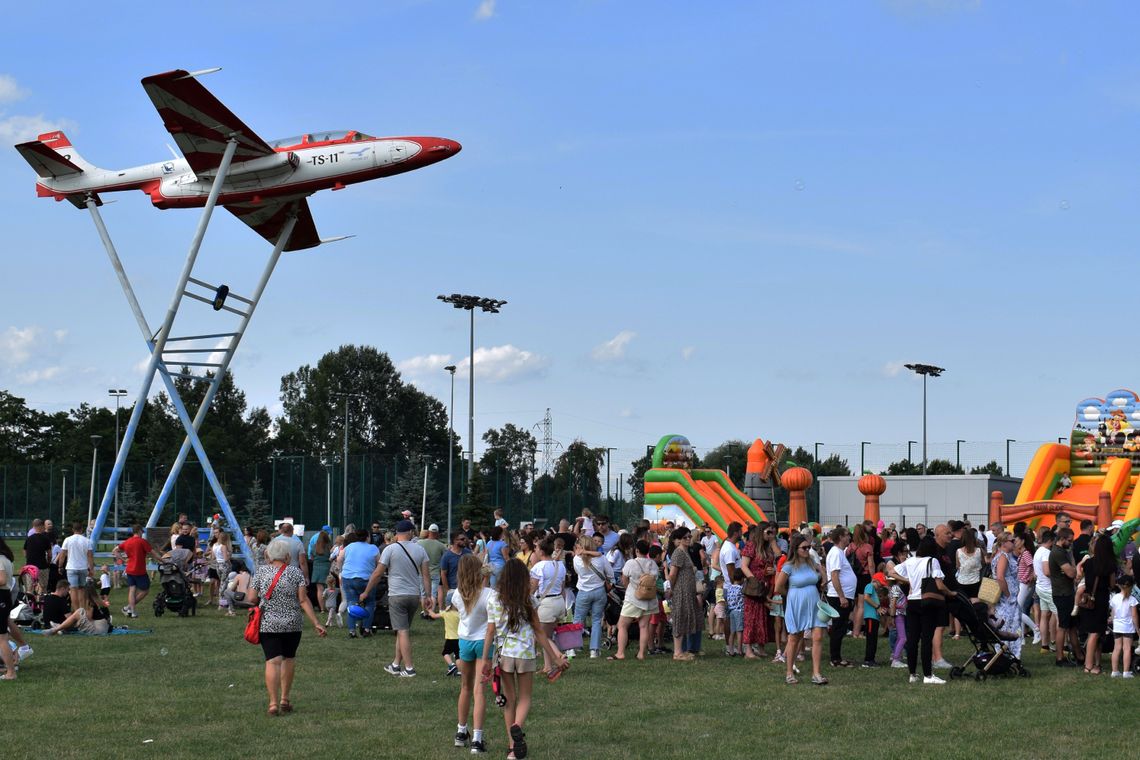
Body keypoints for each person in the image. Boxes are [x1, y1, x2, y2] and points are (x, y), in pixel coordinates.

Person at [481, 559, 567, 760]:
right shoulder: (529, 600)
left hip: (504, 654)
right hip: (526, 653)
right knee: (525, 697)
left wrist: (485, 659)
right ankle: (517, 728)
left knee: (509, 700)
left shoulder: (494, 600)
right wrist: (555, 657)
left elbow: (490, 631)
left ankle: (512, 748)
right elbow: (539, 631)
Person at [247, 538, 326, 715]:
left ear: (268, 555)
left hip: (268, 623)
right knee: (288, 658)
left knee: (272, 661)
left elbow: (251, 598)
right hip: (293, 623)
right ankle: (285, 699)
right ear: (288, 556)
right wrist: (316, 623)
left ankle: (273, 703)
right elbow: (303, 600)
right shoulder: (295, 573)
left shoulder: (260, 572)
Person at [363, 519, 433, 677]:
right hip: (414, 595)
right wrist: (427, 596)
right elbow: (426, 576)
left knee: (402, 631)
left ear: (397, 533)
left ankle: (409, 668)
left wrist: (366, 591)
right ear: (410, 533)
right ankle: (395, 664)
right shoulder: (420, 550)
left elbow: (377, 573)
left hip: (396, 595)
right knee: (403, 631)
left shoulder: (390, 549)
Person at [889, 537, 954, 684]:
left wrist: (909, 581)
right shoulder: (932, 561)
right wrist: (951, 593)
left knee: (912, 639)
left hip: (912, 602)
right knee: (926, 639)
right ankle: (928, 675)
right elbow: (939, 584)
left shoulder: (910, 561)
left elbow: (892, 572)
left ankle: (912, 674)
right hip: (927, 602)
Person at [452, 554, 493, 752]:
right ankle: (477, 738)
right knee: (479, 691)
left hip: (465, 641)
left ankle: (461, 732)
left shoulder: (456, 595)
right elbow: (485, 598)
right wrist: (487, 577)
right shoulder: (489, 594)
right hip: (483, 643)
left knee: (465, 688)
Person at [776, 533, 828, 685]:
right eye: (804, 548)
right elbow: (778, 587)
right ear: (796, 549)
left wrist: (823, 578)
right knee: (795, 638)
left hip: (814, 602)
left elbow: (821, 572)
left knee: (818, 636)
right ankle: (789, 672)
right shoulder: (788, 566)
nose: (807, 550)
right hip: (796, 604)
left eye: (809, 547)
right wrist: (792, 596)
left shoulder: (811, 562)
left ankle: (816, 674)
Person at [611, 540, 657, 661]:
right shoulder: (652, 564)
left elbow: (624, 578)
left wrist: (628, 589)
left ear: (636, 550)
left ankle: (620, 653)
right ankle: (641, 653)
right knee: (644, 626)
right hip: (649, 599)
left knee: (622, 625)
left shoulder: (631, 563)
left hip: (633, 598)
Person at [528, 538, 567, 674]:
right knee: (547, 635)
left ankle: (559, 656)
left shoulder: (539, 567)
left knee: (541, 636)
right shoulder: (560, 565)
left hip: (546, 604)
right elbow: (562, 587)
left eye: (537, 548)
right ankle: (548, 666)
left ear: (542, 551)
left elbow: (532, 588)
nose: (535, 551)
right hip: (559, 602)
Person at [1079, 533, 1116, 674]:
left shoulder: (1088, 562)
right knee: (1095, 634)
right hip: (1100, 601)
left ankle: (1093, 663)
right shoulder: (1109, 564)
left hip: (1088, 599)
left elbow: (1081, 575)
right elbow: (1112, 584)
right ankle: (1089, 666)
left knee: (1092, 633)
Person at [572, 535, 612, 658]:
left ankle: (572, 647)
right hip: (599, 591)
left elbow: (577, 572)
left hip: (583, 591)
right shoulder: (602, 559)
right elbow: (610, 574)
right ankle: (594, 650)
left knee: (578, 620)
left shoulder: (576, 560)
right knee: (596, 621)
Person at [112, 524, 162, 618]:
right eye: (142, 531)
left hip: (130, 569)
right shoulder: (142, 541)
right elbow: (153, 553)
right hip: (139, 570)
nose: (142, 533)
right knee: (145, 590)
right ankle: (129, 608)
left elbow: (115, 550)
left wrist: (123, 560)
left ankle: (131, 610)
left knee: (132, 590)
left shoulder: (127, 541)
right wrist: (163, 561)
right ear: (139, 531)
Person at [825, 526, 857, 668]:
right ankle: (835, 658)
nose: (849, 537)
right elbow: (834, 576)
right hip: (839, 597)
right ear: (840, 538)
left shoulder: (839, 553)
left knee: (841, 627)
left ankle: (837, 656)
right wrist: (842, 597)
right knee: (839, 627)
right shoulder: (836, 553)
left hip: (843, 595)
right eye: (846, 535)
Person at [1049, 526, 1081, 667]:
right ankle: (1059, 658)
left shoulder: (1063, 551)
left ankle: (1079, 655)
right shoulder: (1058, 553)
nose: (1071, 543)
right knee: (1063, 626)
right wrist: (1077, 566)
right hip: (1062, 594)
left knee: (1072, 626)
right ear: (1062, 539)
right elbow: (1072, 574)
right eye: (1069, 540)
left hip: (1067, 592)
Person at [740, 523, 773, 659]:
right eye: (768, 532)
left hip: (764, 585)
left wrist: (771, 570)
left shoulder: (766, 547)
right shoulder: (751, 545)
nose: (770, 535)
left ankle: (760, 647)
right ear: (761, 532)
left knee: (763, 617)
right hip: (754, 587)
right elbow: (744, 566)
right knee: (751, 618)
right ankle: (748, 650)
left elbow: (775, 557)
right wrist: (753, 579)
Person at [339, 529, 380, 638]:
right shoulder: (373, 548)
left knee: (351, 603)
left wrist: (341, 571)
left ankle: (352, 631)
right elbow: (379, 564)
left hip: (348, 578)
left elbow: (339, 559)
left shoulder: (349, 547)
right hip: (367, 579)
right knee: (370, 603)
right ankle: (366, 629)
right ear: (367, 537)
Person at [666, 527, 699, 661]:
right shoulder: (678, 553)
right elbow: (673, 574)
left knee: (684, 619)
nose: (688, 539)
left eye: (689, 537)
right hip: (680, 590)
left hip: (687, 591)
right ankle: (677, 652)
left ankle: (681, 650)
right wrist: (672, 589)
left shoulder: (685, 552)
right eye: (685, 537)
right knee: (679, 619)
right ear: (679, 539)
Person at [990, 533, 1022, 659]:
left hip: (1005, 599)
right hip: (1007, 600)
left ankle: (1004, 655)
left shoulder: (1001, 555)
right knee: (1011, 626)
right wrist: (1009, 595)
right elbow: (1000, 577)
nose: (1014, 542)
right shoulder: (1003, 556)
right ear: (1004, 543)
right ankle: (1011, 656)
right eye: (1011, 540)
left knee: (1006, 625)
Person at [45, 581, 111, 635]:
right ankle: (60, 627)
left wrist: (77, 617)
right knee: (79, 612)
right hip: (104, 628)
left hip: (98, 630)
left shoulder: (91, 603)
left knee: (79, 611)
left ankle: (57, 629)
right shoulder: (99, 602)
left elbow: (89, 618)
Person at [58, 521, 94, 613]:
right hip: (83, 568)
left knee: (73, 590)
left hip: (71, 567)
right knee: (82, 589)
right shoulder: (87, 541)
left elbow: (62, 555)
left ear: (73, 530)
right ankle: (82, 610)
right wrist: (91, 569)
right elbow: (90, 556)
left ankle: (76, 611)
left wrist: (60, 566)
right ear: (82, 529)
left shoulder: (67, 540)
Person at [1109, 575, 1138, 678]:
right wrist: (1138, 629)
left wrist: (1112, 620)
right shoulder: (1132, 600)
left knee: (1116, 648)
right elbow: (1134, 616)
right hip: (1128, 628)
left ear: (1119, 585)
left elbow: (1113, 613)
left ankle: (1114, 671)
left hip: (1117, 627)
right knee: (1127, 649)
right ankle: (1126, 672)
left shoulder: (1115, 598)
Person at [439, 532, 472, 609]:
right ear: (455, 541)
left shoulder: (468, 553)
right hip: (453, 589)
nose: (465, 541)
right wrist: (448, 590)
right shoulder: (446, 556)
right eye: (462, 539)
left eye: (465, 539)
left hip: (467, 589)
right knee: (453, 617)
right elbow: (443, 574)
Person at [862, 572, 888, 667]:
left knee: (873, 639)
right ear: (875, 581)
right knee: (871, 639)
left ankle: (871, 659)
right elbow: (866, 598)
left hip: (874, 617)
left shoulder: (874, 590)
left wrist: (880, 609)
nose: (880, 586)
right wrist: (877, 607)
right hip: (870, 618)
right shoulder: (870, 586)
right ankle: (868, 660)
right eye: (880, 584)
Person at [23, 519, 53, 593]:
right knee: (43, 588)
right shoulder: (45, 539)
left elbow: (25, 552)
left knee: (30, 589)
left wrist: (29, 559)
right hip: (42, 567)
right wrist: (48, 563)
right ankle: (41, 603)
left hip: (30, 567)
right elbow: (49, 554)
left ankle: (30, 603)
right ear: (42, 526)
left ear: (34, 527)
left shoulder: (29, 539)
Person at [419, 524, 447, 602]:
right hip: (435, 572)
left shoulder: (420, 543)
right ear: (437, 533)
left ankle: (425, 612)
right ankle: (432, 612)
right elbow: (445, 558)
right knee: (433, 594)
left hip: (422, 572)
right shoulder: (441, 545)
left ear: (428, 532)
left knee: (423, 594)